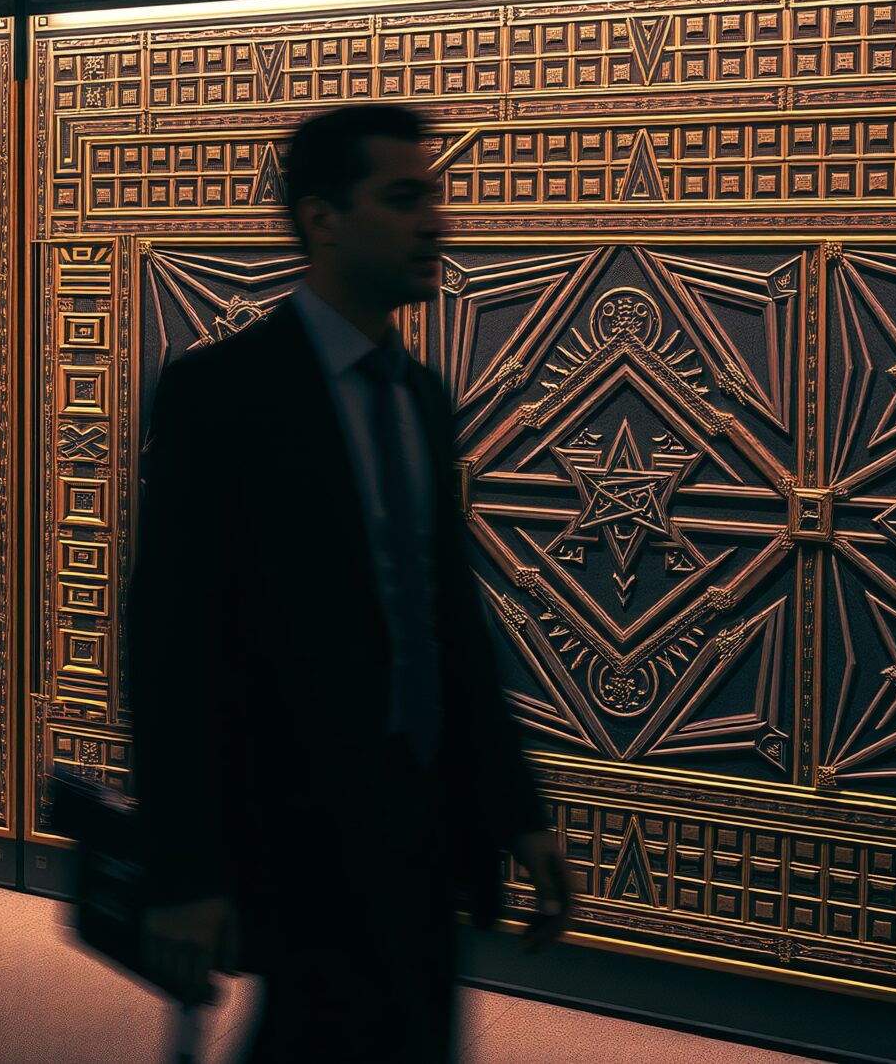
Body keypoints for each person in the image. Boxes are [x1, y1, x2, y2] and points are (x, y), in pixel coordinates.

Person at [129, 105, 570, 1064]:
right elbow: (171, 645)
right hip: (298, 827)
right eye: (404, 198)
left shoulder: (421, 396)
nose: (436, 222)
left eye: (434, 196)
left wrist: (516, 808)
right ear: (323, 218)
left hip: (423, 827)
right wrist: (184, 872)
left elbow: (447, 618)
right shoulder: (223, 393)